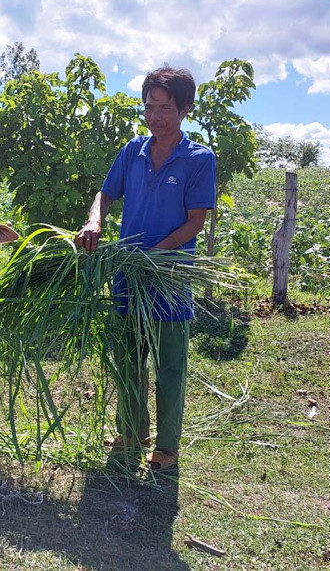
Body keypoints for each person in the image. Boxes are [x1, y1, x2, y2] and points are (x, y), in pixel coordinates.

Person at [75, 66, 216, 470]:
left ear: (185, 109)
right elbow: (105, 193)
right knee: (128, 357)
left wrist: (157, 253)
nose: (154, 116)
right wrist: (94, 222)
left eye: (165, 108)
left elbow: (195, 221)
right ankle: (132, 430)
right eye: (149, 107)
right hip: (128, 275)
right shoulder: (132, 152)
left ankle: (167, 447)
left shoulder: (198, 159)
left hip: (169, 277)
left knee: (170, 365)